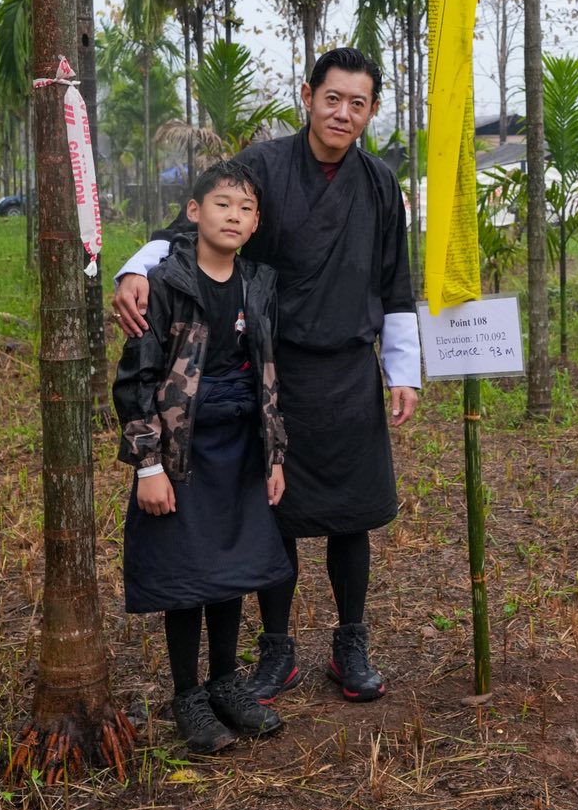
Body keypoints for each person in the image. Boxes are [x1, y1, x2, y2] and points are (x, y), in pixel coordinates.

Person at [115, 46, 419, 705]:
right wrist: (137, 269)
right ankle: (275, 650)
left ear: (370, 113)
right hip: (274, 375)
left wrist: (403, 372)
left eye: (358, 104)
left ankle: (350, 645)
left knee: (352, 516)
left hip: (348, 375)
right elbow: (189, 225)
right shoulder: (261, 168)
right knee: (274, 513)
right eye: (332, 98)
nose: (343, 113)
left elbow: (397, 285)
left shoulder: (378, 185)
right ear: (307, 96)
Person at [113, 160, 292, 754]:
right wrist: (148, 465)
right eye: (222, 204)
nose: (233, 216)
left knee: (231, 571)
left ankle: (226, 684)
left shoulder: (258, 283)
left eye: (245, 209)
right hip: (181, 452)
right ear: (193, 213)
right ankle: (188, 694)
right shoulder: (164, 283)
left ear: (256, 221)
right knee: (187, 576)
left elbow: (268, 374)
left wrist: (274, 455)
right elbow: (136, 378)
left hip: (240, 449)